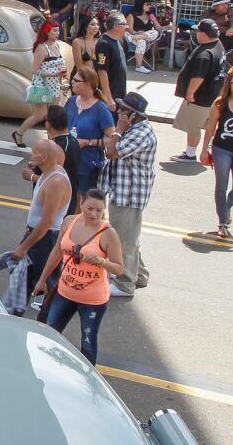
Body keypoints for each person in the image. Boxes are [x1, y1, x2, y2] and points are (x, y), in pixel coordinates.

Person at [34, 189, 124, 364]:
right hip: (64, 292)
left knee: (87, 343)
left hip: (93, 300)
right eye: (90, 208)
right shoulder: (69, 221)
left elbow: (119, 269)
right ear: (81, 203)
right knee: (50, 333)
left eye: (99, 210)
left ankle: (89, 385)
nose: (94, 214)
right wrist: (42, 279)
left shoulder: (108, 234)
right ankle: (43, 367)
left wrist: (101, 262)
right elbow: (57, 251)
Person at [12, 138, 72, 318]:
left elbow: (46, 223)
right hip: (39, 237)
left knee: (46, 285)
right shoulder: (51, 172)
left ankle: (47, 324)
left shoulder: (55, 183)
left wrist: (23, 247)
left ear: (44, 157)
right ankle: (16, 317)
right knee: (24, 281)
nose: (31, 155)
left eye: (34, 152)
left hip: (44, 240)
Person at [103, 92, 156, 297]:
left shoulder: (138, 132)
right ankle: (139, 275)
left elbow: (111, 152)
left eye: (124, 110)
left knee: (123, 240)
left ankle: (125, 284)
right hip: (124, 190)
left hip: (129, 194)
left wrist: (119, 129)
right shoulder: (135, 129)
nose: (119, 112)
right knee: (128, 236)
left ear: (134, 115)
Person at [203, 68, 233, 241]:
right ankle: (223, 222)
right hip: (221, 149)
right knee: (221, 186)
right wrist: (203, 150)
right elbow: (210, 128)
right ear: (229, 85)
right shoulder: (220, 103)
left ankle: (227, 206)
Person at [173, 19, 225, 161]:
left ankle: (190, 154)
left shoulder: (205, 54)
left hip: (200, 97)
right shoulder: (218, 45)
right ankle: (206, 151)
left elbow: (198, 77)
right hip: (212, 94)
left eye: (198, 31)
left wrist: (190, 93)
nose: (195, 34)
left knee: (193, 126)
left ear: (204, 34)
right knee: (208, 125)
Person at [14, 21, 68, 147]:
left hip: (54, 85)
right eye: (54, 30)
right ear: (47, 31)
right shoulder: (42, 48)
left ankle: (51, 141)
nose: (57, 33)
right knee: (40, 116)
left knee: (54, 114)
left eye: (58, 30)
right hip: (42, 86)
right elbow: (34, 70)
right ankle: (19, 133)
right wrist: (54, 75)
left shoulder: (56, 46)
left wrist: (60, 76)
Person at [66, 68, 115, 203]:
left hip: (88, 164)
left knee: (85, 202)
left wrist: (88, 142)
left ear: (88, 84)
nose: (72, 82)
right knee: (70, 200)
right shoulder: (71, 101)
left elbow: (112, 139)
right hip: (69, 161)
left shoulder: (101, 109)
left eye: (76, 80)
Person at [93, 13, 129, 110]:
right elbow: (102, 71)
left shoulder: (120, 40)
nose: (127, 27)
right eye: (125, 24)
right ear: (116, 26)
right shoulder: (104, 44)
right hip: (111, 92)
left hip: (119, 90)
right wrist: (108, 98)